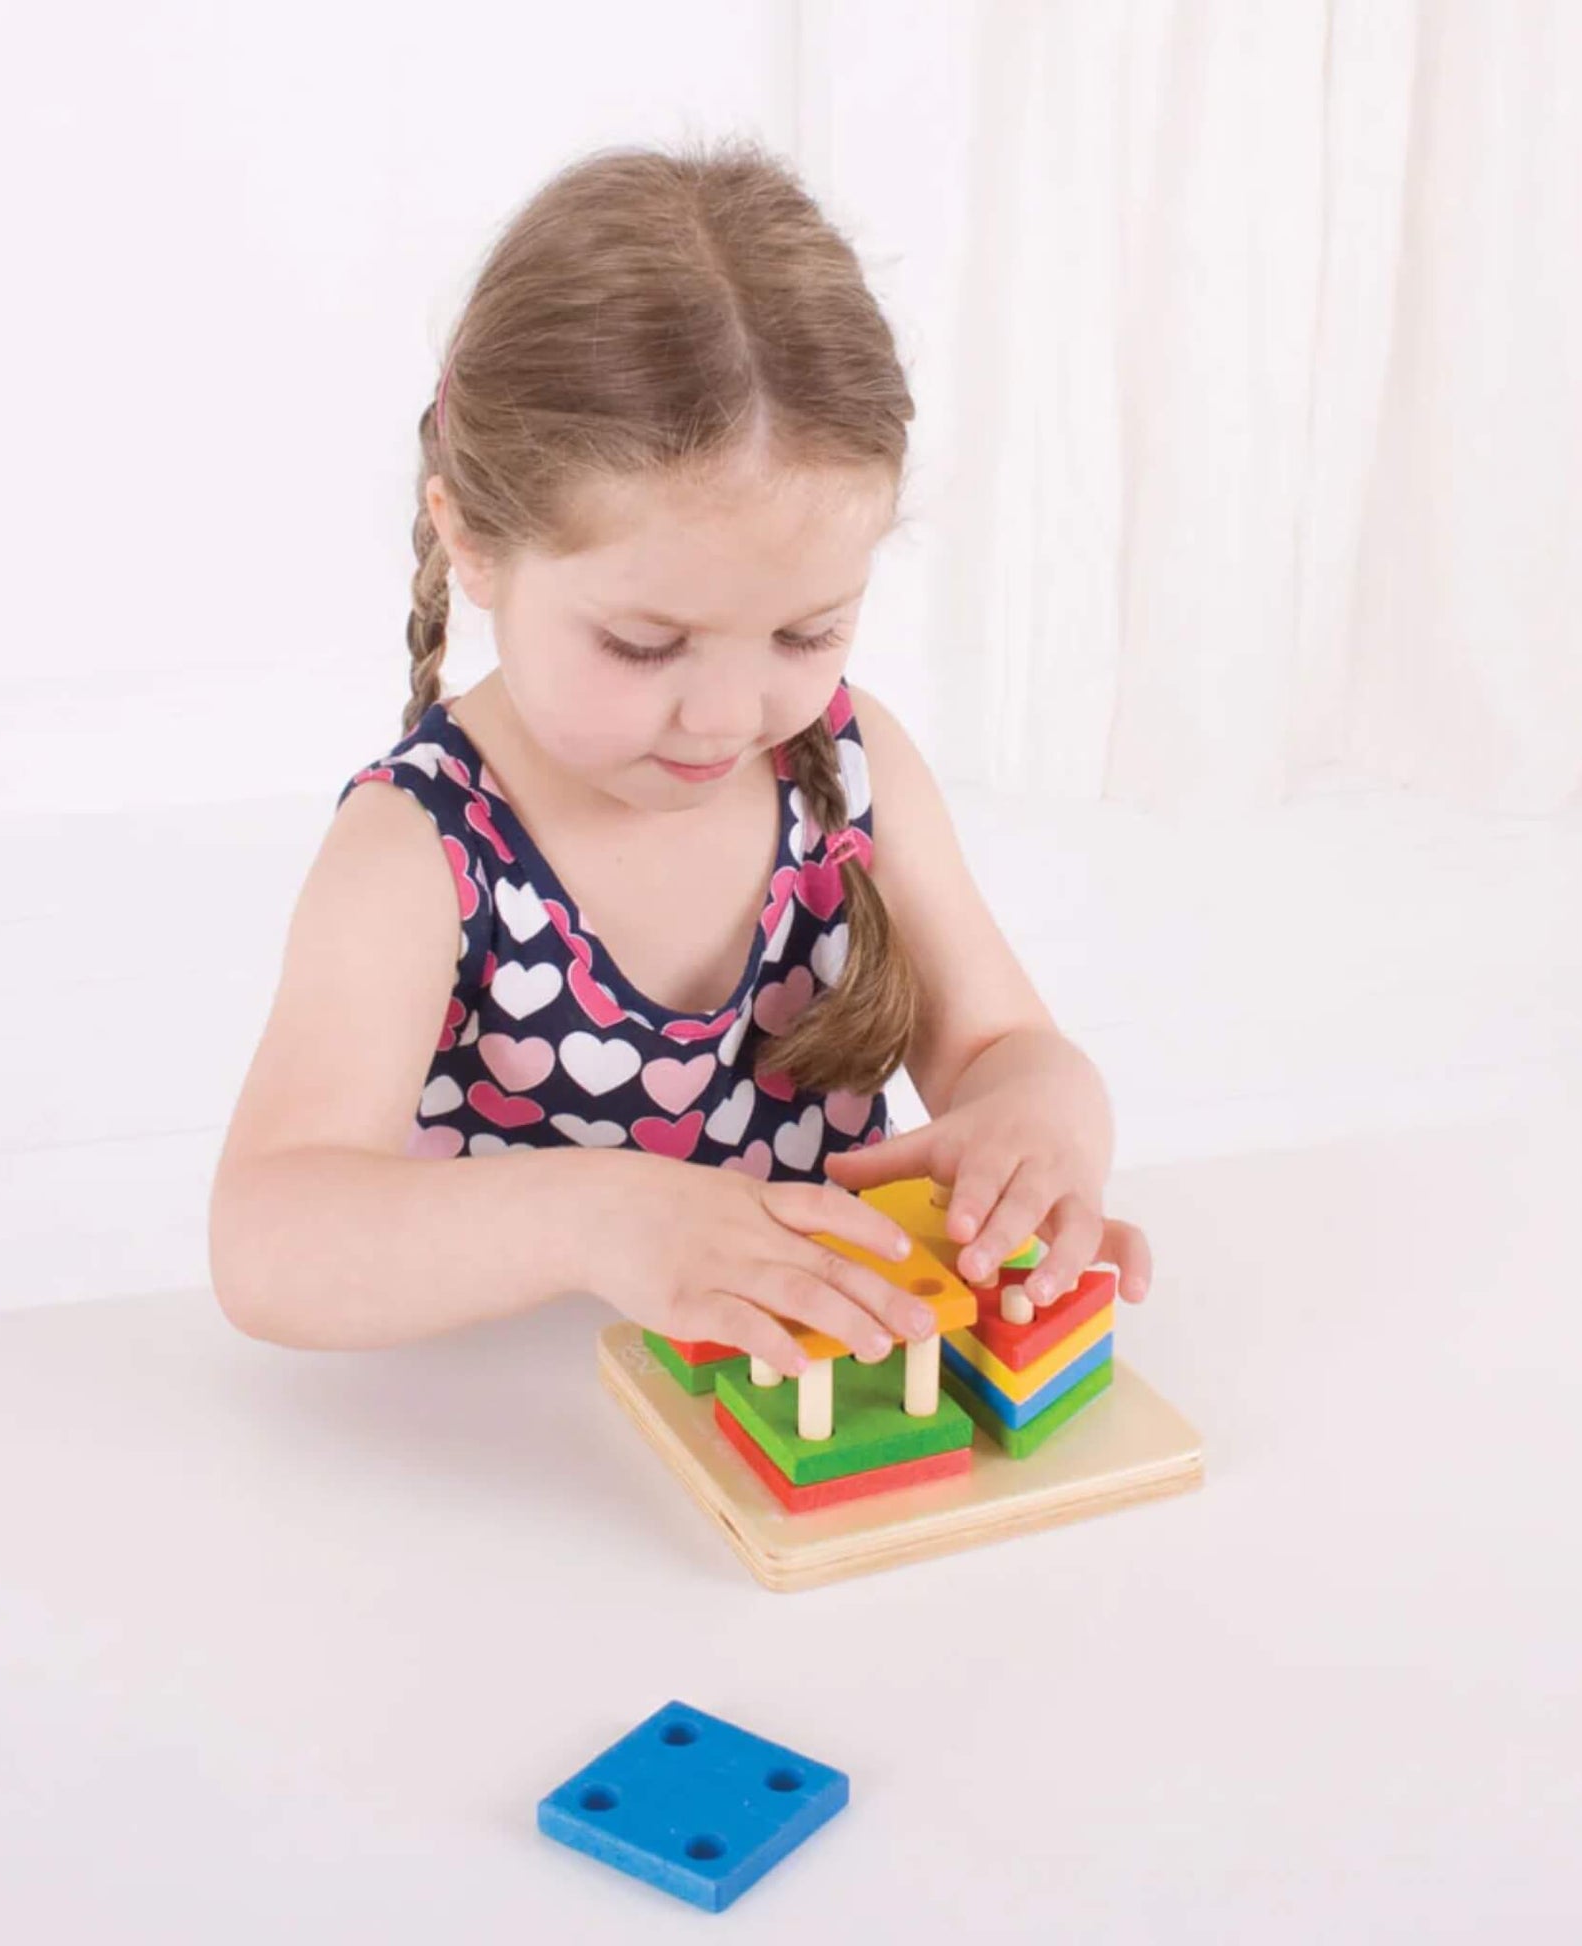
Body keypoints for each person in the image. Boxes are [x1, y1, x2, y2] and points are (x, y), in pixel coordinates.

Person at [208, 138, 1152, 1372]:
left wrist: (1037, 1122)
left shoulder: (853, 770)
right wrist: (598, 1213)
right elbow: (266, 1237)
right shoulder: (419, 850)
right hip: (528, 1442)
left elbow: (995, 1047)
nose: (723, 714)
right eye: (646, 644)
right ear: (474, 541)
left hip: (811, 1425)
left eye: (806, 629)